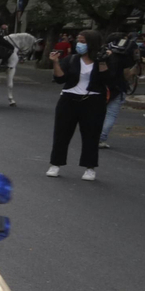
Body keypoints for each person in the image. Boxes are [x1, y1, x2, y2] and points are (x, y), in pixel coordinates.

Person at [47, 30, 108, 180]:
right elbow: (61, 79)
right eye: (78, 41)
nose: (79, 44)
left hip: (93, 101)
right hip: (69, 99)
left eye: (83, 42)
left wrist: (102, 61)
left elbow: (107, 79)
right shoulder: (71, 59)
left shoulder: (103, 59)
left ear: (92, 43)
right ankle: (56, 164)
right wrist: (55, 62)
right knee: (61, 133)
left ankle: (90, 168)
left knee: (91, 135)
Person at [100, 34, 141, 148]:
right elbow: (126, 75)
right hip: (118, 88)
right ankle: (101, 138)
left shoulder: (102, 54)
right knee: (111, 114)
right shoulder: (124, 57)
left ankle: (92, 135)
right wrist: (134, 72)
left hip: (101, 87)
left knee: (98, 112)